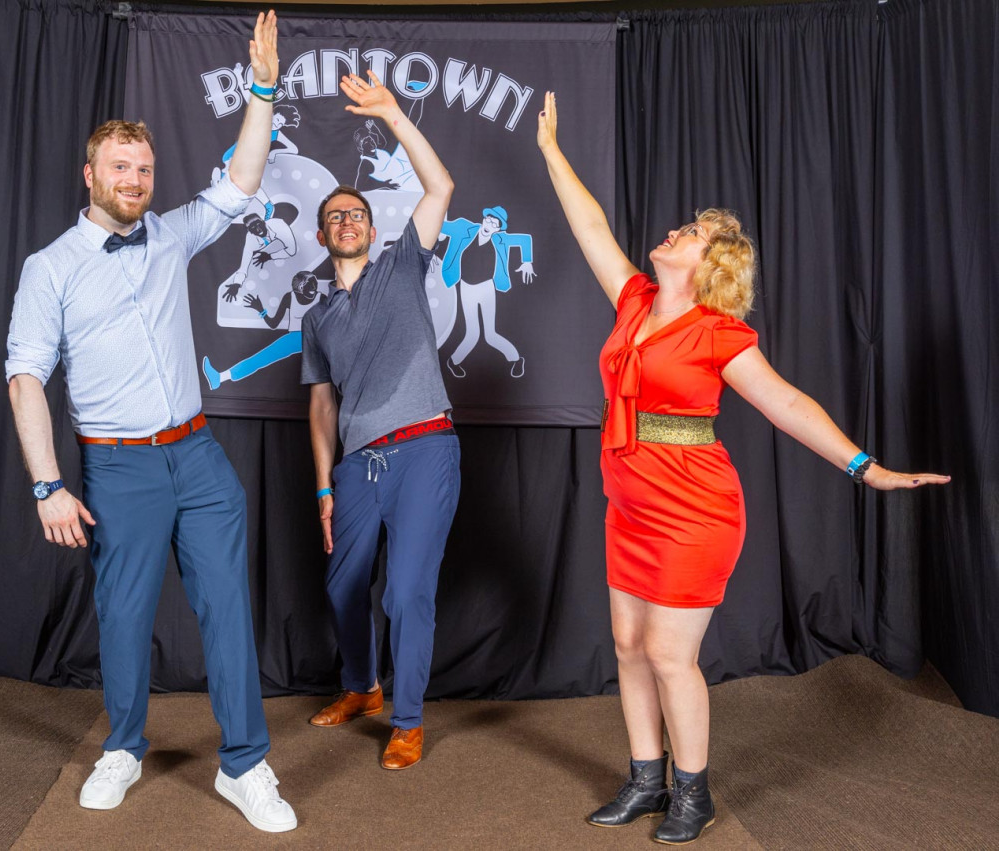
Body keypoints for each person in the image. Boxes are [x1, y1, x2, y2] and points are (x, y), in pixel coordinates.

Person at [535, 91, 950, 845]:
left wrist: (866, 467)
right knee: (627, 645)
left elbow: (787, 403)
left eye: (689, 232)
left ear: (710, 263)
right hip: (628, 504)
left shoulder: (719, 333)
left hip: (693, 509)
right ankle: (646, 780)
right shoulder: (633, 301)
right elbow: (590, 226)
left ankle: (693, 795)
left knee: (669, 653)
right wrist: (552, 152)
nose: (673, 231)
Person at [5, 12, 298, 834]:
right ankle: (124, 747)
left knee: (226, 610)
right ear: (90, 174)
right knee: (126, 616)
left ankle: (245, 764)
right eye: (120, 167)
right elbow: (25, 378)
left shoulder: (171, 235)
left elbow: (241, 181)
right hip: (118, 467)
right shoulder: (50, 269)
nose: (134, 179)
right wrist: (48, 485)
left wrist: (263, 89)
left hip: (197, 457)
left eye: (144, 168)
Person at [301, 70, 459, 771]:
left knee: (405, 591)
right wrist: (324, 486)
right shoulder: (316, 317)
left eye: (357, 214)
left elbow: (440, 186)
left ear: (372, 228)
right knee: (343, 584)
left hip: (426, 449)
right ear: (321, 233)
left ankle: (408, 719)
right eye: (335, 216)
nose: (347, 221)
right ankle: (362, 687)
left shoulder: (400, 267)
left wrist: (394, 115)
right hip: (357, 465)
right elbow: (321, 404)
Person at [439, 206, 536, 379]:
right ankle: (453, 362)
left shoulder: (500, 239)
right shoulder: (464, 228)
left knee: (490, 335)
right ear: (484, 219)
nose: (489, 225)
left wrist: (527, 261)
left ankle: (516, 359)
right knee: (472, 334)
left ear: (498, 229)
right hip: (467, 287)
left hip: (487, 288)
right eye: (488, 220)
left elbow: (525, 240)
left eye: (494, 224)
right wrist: (430, 246)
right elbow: (438, 225)